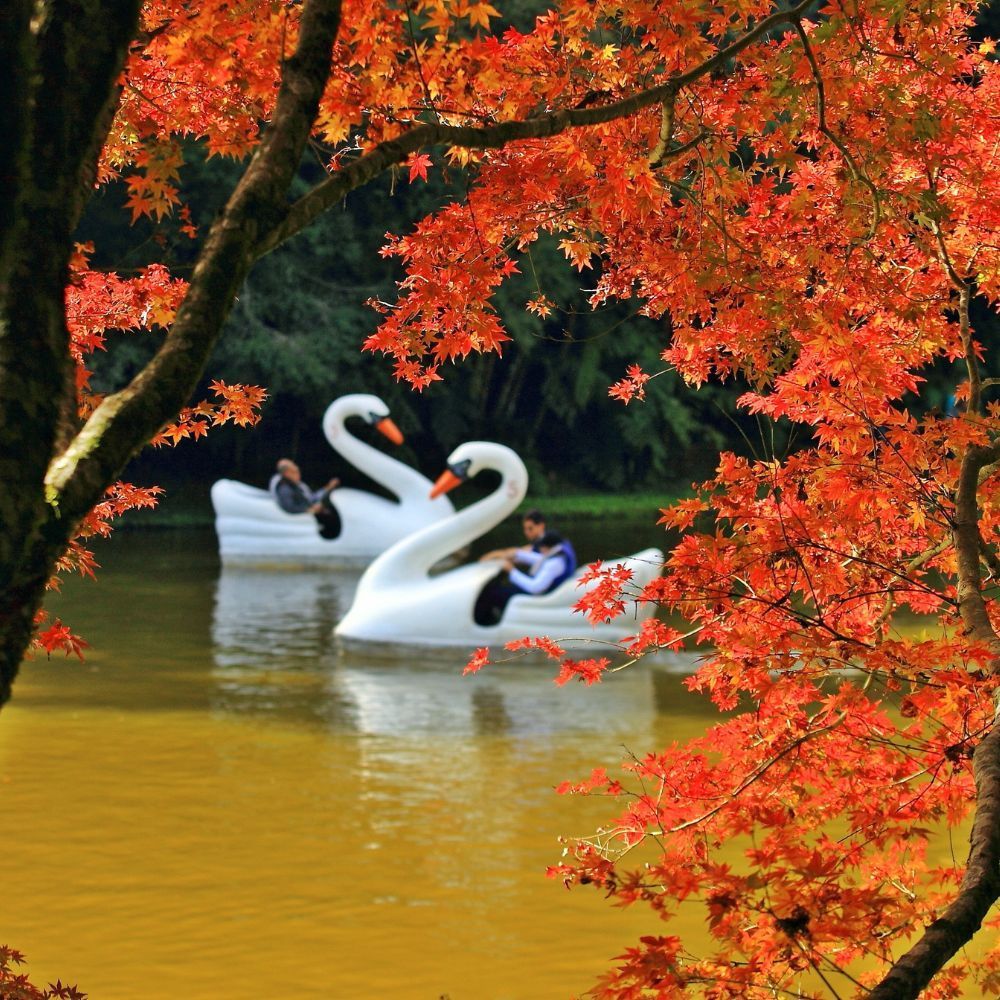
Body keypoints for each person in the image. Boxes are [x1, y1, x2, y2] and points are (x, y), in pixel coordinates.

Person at [474, 511, 577, 625]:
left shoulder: (554, 563)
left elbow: (534, 587)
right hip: (543, 591)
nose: (541, 549)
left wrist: (511, 571)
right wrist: (514, 555)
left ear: (548, 547)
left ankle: (484, 625)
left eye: (542, 547)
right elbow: (537, 558)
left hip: (537, 596)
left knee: (492, 593)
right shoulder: (556, 554)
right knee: (497, 589)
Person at [271, 458, 341, 538]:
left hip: (310, 510)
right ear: (287, 473)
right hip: (303, 519)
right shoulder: (284, 489)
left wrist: (327, 488)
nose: (298, 474)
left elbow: (311, 498)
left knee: (330, 510)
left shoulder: (298, 485)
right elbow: (290, 508)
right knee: (330, 518)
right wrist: (309, 510)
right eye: (295, 472)